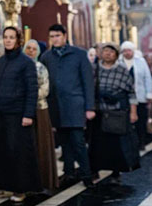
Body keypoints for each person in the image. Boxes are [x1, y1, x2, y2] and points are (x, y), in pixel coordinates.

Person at [0, 27, 40, 202]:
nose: (7, 40)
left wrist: (28, 114)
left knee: (17, 151)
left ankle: (19, 189)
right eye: (5, 37)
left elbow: (32, 90)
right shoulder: (0, 62)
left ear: (18, 40)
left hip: (17, 114)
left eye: (11, 37)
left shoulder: (26, 63)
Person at [39, 24, 96, 188]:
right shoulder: (47, 57)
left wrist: (90, 107)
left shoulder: (78, 54)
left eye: (57, 35)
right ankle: (69, 173)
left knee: (78, 142)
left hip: (75, 105)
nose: (55, 39)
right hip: (56, 105)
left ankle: (86, 175)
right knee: (64, 143)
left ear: (64, 36)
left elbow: (88, 82)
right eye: (52, 36)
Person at [89, 43, 140, 184]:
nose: (107, 54)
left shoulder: (122, 70)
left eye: (111, 52)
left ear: (117, 55)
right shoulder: (94, 69)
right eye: (105, 51)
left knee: (116, 144)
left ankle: (116, 171)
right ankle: (95, 170)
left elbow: (131, 92)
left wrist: (133, 112)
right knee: (97, 144)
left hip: (116, 112)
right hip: (98, 111)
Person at [24, 38, 57, 192]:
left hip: (39, 109)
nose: (31, 51)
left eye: (34, 49)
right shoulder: (21, 66)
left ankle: (43, 181)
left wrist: (25, 96)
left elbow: (44, 90)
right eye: (28, 48)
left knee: (41, 145)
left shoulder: (40, 68)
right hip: (22, 110)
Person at [119, 41, 152, 149]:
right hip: (125, 97)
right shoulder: (119, 62)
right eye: (124, 51)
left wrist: (149, 94)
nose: (127, 53)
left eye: (129, 50)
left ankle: (141, 141)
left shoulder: (141, 61)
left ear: (133, 51)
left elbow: (147, 78)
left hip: (140, 96)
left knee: (141, 120)